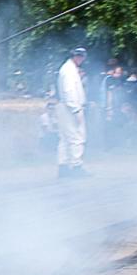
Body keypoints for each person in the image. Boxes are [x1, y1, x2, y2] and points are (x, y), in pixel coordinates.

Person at [55, 47, 89, 178]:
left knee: (65, 138)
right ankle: (76, 166)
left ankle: (63, 166)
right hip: (70, 108)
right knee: (77, 137)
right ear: (76, 57)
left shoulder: (68, 69)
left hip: (66, 107)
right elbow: (69, 92)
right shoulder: (69, 71)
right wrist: (76, 110)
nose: (81, 59)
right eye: (80, 57)